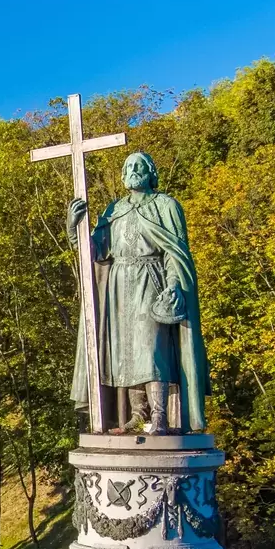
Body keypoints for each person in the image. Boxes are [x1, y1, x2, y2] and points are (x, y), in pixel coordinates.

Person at [68, 151, 210, 435]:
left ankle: (159, 418)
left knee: (150, 349)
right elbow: (96, 252)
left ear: (150, 173)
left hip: (151, 280)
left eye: (139, 166)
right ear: (123, 176)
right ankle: (137, 416)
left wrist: (173, 284)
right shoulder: (114, 210)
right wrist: (75, 229)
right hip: (119, 288)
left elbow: (175, 253)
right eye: (129, 167)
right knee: (126, 353)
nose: (133, 171)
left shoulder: (166, 206)